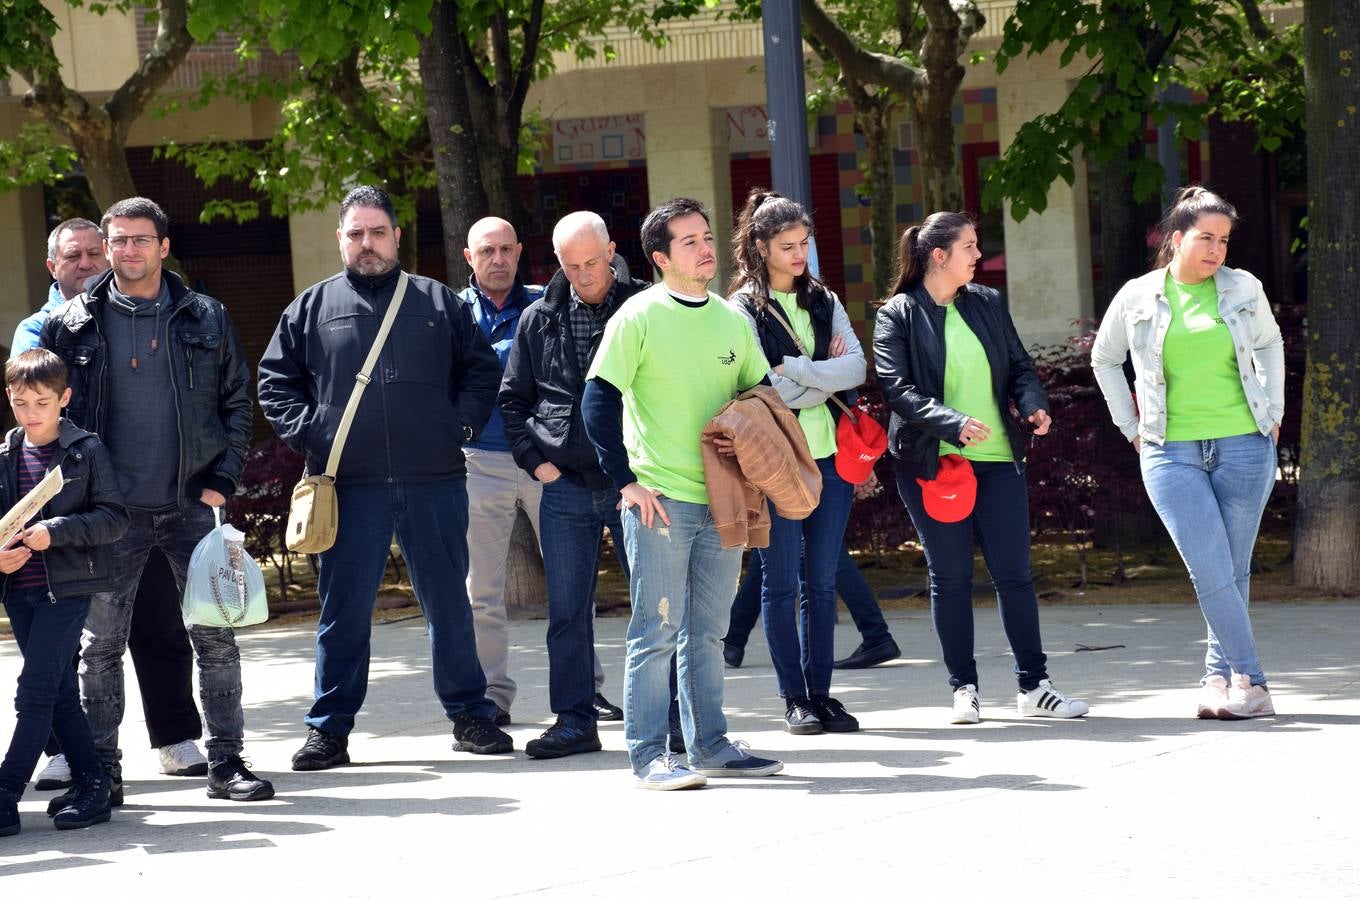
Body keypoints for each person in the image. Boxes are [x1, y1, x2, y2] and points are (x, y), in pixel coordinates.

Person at [259, 185, 512, 770]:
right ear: (340, 240)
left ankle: (471, 714)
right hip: (348, 488)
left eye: (377, 232)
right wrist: (313, 434)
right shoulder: (311, 308)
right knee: (342, 611)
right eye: (355, 234)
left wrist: (461, 427)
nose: (366, 244)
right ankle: (329, 729)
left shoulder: (438, 303)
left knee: (451, 604)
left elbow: (480, 373)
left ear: (397, 236)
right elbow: (274, 383)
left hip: (436, 479)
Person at [39, 197, 272, 802]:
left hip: (191, 504)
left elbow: (237, 403)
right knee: (100, 647)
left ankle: (228, 763)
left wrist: (223, 477)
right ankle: (101, 772)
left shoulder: (206, 316)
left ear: (164, 247)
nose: (127, 251)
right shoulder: (70, 324)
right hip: (109, 513)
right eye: (117, 241)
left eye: (140, 240)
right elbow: (54, 420)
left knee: (215, 637)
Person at [583, 197, 782, 790]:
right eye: (689, 241)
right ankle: (648, 755)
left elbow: (761, 395)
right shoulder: (637, 316)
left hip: (724, 501)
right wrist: (627, 482)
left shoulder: (730, 319)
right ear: (660, 257)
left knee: (709, 631)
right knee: (657, 630)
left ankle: (712, 745)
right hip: (661, 502)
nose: (705, 249)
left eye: (706, 236)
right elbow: (597, 400)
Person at [873, 211, 1089, 725]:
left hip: (997, 462)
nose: (979, 256)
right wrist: (952, 424)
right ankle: (963, 688)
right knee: (950, 577)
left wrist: (1033, 403)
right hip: (933, 462)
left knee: (1015, 575)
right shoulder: (897, 314)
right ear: (939, 256)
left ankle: (1035, 687)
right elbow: (896, 389)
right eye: (970, 247)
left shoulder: (986, 304)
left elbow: (1019, 366)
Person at [15, 218, 207, 791]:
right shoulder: (41, 329)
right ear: (52, 266)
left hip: (141, 496)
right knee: (66, 635)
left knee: (158, 620)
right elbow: (38, 410)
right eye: (73, 256)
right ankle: (66, 750)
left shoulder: (125, 314)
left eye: (96, 252)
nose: (87, 262)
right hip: (71, 506)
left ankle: (174, 737)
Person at [1091, 186, 1283, 720]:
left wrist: (1273, 411)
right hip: (1167, 450)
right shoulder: (1137, 294)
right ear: (1176, 239)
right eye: (1205, 238)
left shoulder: (1244, 288)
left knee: (1231, 568)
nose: (1216, 249)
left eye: (1223, 240)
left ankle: (1220, 679)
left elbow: (1269, 344)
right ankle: (1256, 681)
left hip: (1244, 444)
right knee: (1208, 566)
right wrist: (1129, 425)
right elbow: (1105, 359)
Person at [499, 212, 648, 759]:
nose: (585, 274)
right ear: (555, 263)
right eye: (571, 265)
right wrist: (538, 465)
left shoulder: (646, 308)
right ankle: (574, 720)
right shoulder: (538, 317)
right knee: (566, 611)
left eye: (593, 261)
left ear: (612, 249)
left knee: (655, 605)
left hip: (635, 482)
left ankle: (668, 720)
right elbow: (513, 401)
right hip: (562, 486)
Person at [726, 190, 866, 734]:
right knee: (779, 584)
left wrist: (800, 371)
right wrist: (815, 374)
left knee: (823, 584)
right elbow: (763, 390)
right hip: (776, 463)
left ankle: (823, 695)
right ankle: (795, 699)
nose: (799, 254)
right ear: (760, 247)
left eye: (804, 243)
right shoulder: (740, 309)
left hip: (830, 458)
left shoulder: (824, 300)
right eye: (787, 246)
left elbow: (855, 369)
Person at [0, 349, 128, 835]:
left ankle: (6, 792)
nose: (31, 413)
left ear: (64, 398)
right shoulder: (6, 452)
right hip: (19, 590)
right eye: (20, 402)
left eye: (41, 402)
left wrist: (57, 531)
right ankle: (94, 785)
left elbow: (114, 517)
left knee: (32, 691)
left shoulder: (85, 450)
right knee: (56, 693)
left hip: (67, 590)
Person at [456, 216, 551, 726]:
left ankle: (585, 690)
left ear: (519, 252)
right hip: (479, 462)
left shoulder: (546, 304)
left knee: (571, 582)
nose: (497, 260)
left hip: (544, 463)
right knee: (481, 592)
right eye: (486, 251)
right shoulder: (451, 312)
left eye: (505, 250)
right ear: (469, 258)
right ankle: (492, 695)